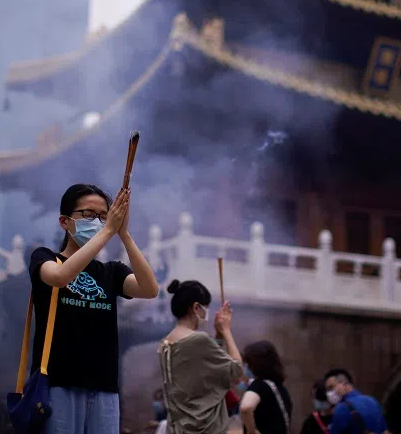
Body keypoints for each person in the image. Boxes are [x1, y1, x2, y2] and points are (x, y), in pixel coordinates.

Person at [30, 183, 160, 434]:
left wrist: (123, 234)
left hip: (104, 389)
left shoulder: (111, 272)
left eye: (103, 216)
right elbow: (59, 277)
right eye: (89, 215)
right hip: (58, 386)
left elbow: (149, 289)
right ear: (64, 222)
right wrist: (108, 230)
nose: (98, 222)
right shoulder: (45, 258)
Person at [158, 279, 244, 434]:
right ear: (196, 307)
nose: (207, 314)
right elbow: (236, 371)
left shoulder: (165, 343)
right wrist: (226, 331)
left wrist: (218, 336)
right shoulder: (199, 340)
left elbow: (207, 367)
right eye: (206, 308)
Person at [239, 340, 292, 434]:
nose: (245, 367)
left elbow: (245, 408)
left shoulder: (259, 386)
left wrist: (251, 431)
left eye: (247, 363)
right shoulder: (279, 388)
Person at [323, 369, 387, 434]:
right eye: (328, 390)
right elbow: (384, 430)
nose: (329, 393)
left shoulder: (341, 408)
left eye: (331, 387)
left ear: (344, 384)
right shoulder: (373, 401)